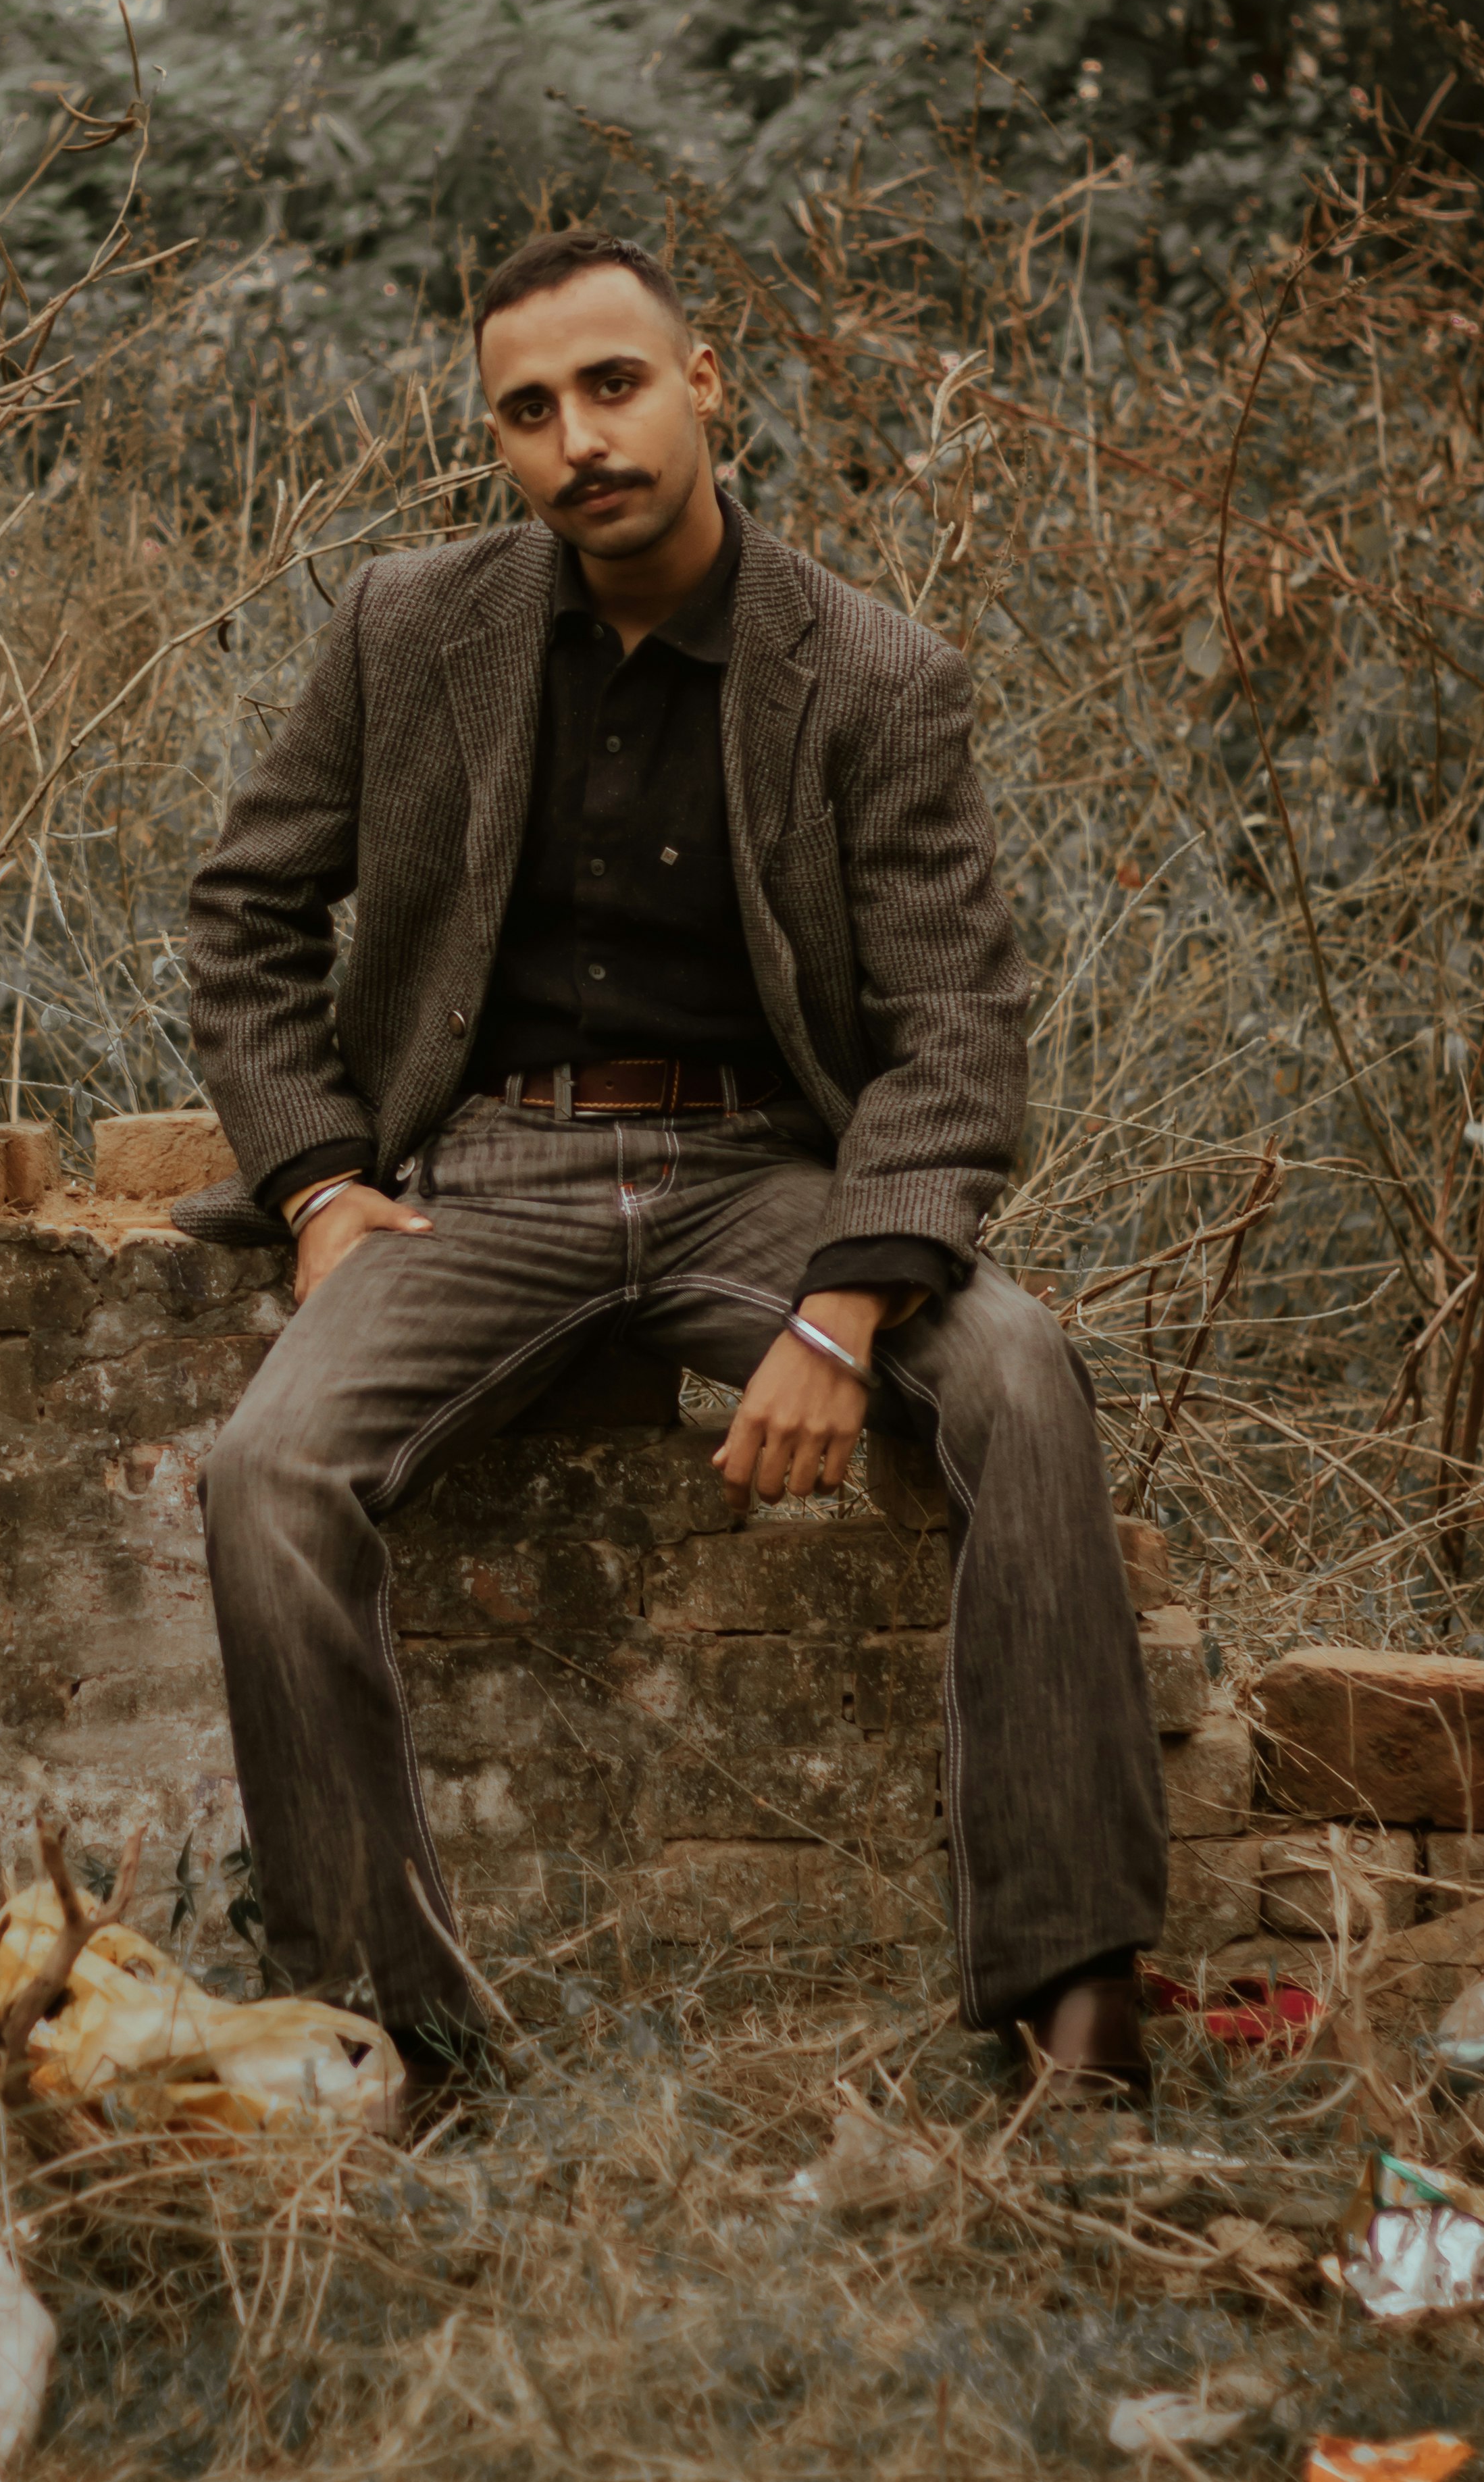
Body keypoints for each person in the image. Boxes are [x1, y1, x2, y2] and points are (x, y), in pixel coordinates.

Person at [170, 227, 1167, 2101]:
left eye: (614, 387)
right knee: (265, 1475)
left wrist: (847, 1307)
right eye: (528, 411)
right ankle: (399, 2036)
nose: (578, 441)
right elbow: (243, 919)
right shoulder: (411, 626)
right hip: (484, 1177)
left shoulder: (870, 674)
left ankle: (1080, 2007)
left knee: (1021, 1373)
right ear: (499, 441)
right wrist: (312, 1179)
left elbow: (959, 1033)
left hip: (759, 1179)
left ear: (707, 387)